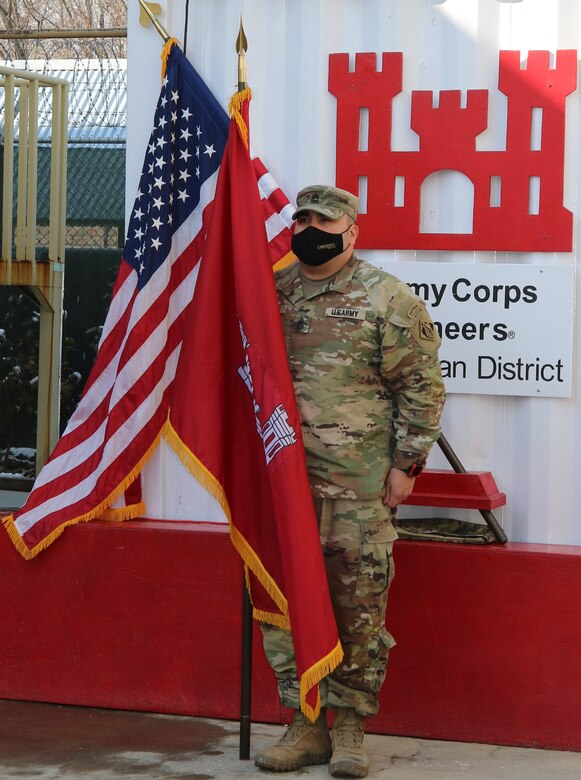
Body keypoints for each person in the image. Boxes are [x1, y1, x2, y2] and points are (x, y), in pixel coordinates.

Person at [254, 185, 446, 778]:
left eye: (323, 220)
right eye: (303, 218)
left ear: (351, 231)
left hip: (359, 489)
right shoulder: (272, 295)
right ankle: (304, 722)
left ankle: (352, 729)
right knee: (286, 604)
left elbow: (421, 385)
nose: (311, 227)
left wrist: (405, 465)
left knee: (358, 606)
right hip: (283, 488)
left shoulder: (386, 297)